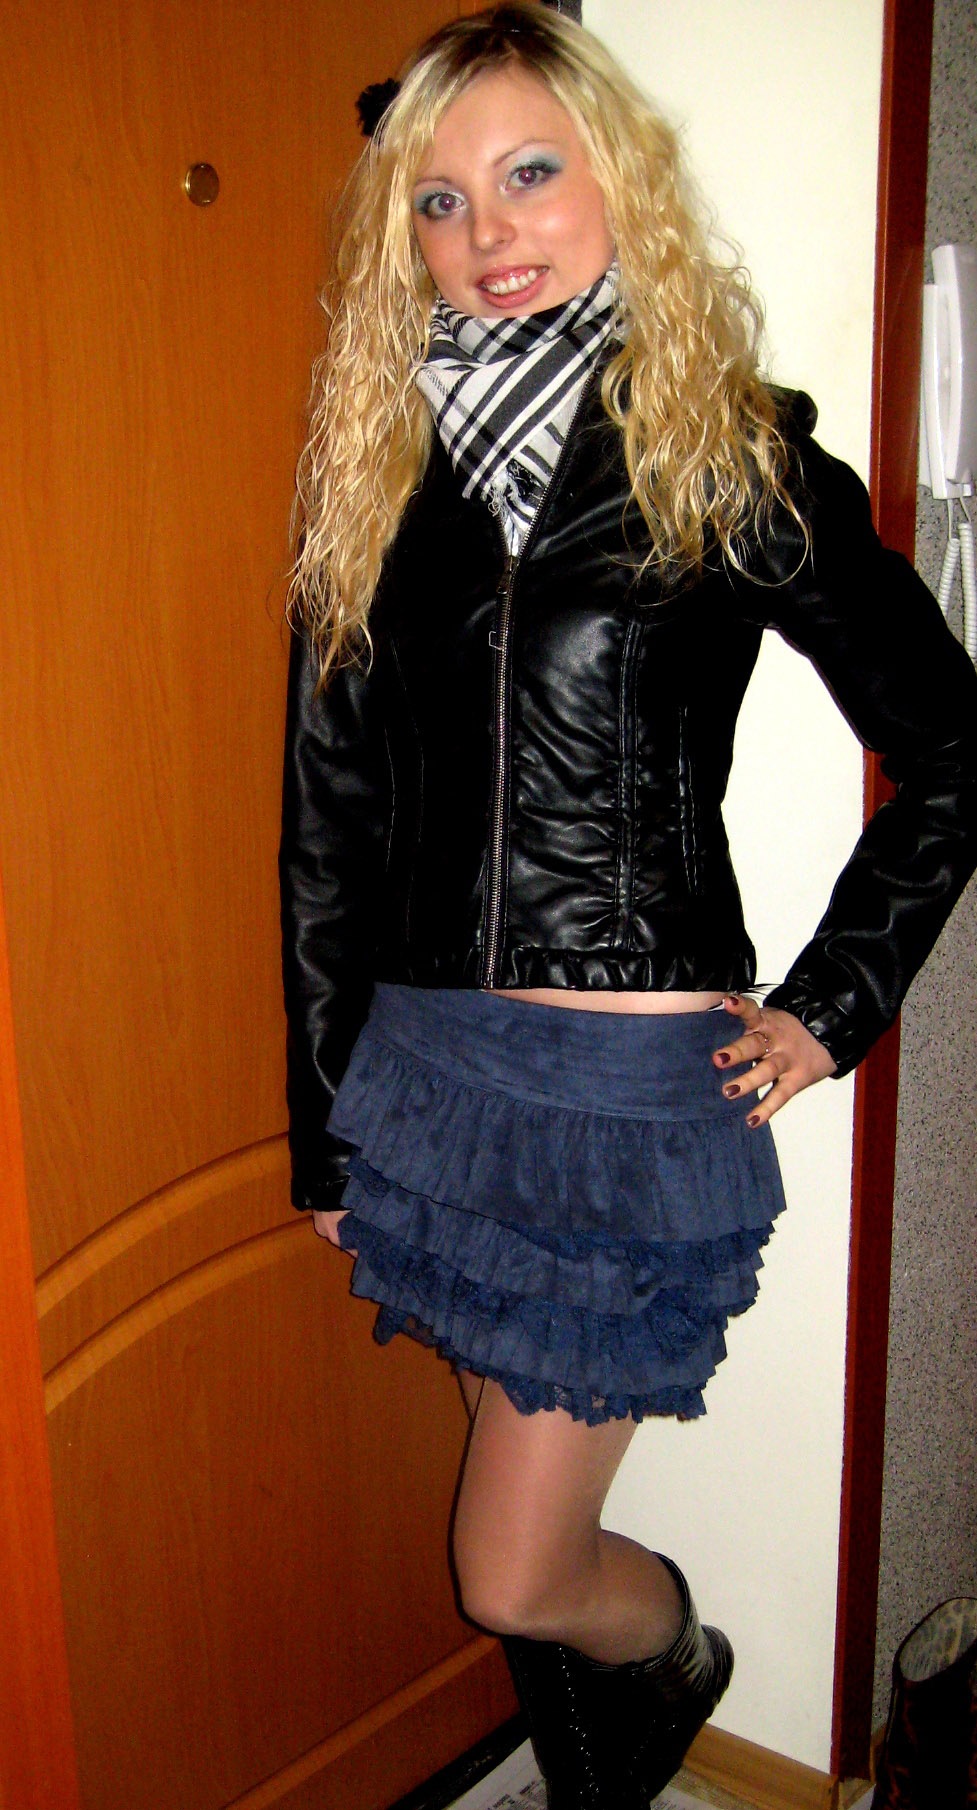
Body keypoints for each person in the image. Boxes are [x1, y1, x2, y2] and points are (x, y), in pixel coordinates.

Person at [279, 7, 977, 1805]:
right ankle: (603, 1769)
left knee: (511, 1570)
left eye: (527, 173)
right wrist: (327, 1125)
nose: (485, 231)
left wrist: (831, 1003)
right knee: (507, 1510)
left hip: (614, 1098)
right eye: (437, 200)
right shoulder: (377, 480)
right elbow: (327, 825)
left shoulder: (725, 458)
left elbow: (953, 749)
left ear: (618, 182)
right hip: (424, 1075)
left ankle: (670, 1648)